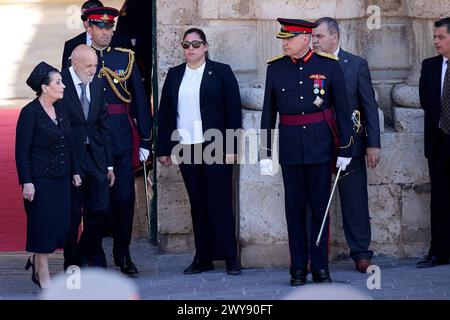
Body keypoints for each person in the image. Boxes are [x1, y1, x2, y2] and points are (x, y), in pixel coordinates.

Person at [260, 18, 354, 286]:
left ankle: (321, 268)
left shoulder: (328, 66)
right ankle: (298, 268)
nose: (284, 42)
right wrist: (265, 153)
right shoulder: (275, 69)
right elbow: (268, 113)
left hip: (321, 149)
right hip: (290, 150)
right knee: (294, 211)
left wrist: (346, 148)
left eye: (289, 38)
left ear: (304, 38)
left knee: (319, 211)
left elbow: (343, 111)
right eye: (283, 38)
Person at [156, 28, 242, 275]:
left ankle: (230, 257)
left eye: (195, 44)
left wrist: (232, 147)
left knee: (221, 201)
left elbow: (233, 110)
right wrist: (164, 149)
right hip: (186, 147)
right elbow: (165, 114)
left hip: (215, 146)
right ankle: (202, 257)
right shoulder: (174, 75)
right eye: (186, 44)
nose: (190, 49)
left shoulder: (221, 72)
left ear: (205, 47)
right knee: (198, 203)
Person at [84, 6, 152, 275]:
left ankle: (123, 253)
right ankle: (95, 254)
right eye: (100, 27)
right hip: (92, 139)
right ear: (89, 28)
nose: (106, 32)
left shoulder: (126, 58)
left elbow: (139, 99)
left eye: (109, 27)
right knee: (95, 200)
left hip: (121, 134)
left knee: (124, 198)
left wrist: (146, 139)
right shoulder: (78, 57)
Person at [312, 17, 381, 273]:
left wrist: (373, 144)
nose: (314, 41)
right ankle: (314, 253)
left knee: (355, 200)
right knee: (316, 198)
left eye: (319, 36)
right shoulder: (310, 65)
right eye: (313, 36)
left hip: (350, 143)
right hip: (318, 143)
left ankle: (361, 253)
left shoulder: (356, 65)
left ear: (335, 37)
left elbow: (369, 107)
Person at [15, 62, 82, 288]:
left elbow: (70, 143)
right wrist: (27, 182)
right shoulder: (29, 113)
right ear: (44, 87)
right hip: (39, 180)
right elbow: (22, 151)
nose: (63, 86)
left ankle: (35, 257)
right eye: (58, 82)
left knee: (61, 226)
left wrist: (75, 172)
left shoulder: (61, 109)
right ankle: (42, 273)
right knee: (42, 227)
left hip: (62, 179)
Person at [61, 44, 115, 270]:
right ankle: (71, 260)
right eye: (88, 66)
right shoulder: (59, 83)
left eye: (95, 65)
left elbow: (103, 125)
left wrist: (110, 164)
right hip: (71, 157)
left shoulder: (98, 81)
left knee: (101, 209)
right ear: (74, 64)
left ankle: (86, 252)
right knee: (73, 214)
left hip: (96, 156)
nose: (94, 70)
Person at [417, 17, 450, 268]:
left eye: (441, 37)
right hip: (438, 142)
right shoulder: (429, 66)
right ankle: (438, 252)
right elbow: (426, 102)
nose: (435, 42)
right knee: (439, 199)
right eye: (435, 37)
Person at [61, 0, 132, 70]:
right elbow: (66, 78)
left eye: (93, 19)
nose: (88, 21)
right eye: (84, 18)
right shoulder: (71, 45)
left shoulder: (123, 41)